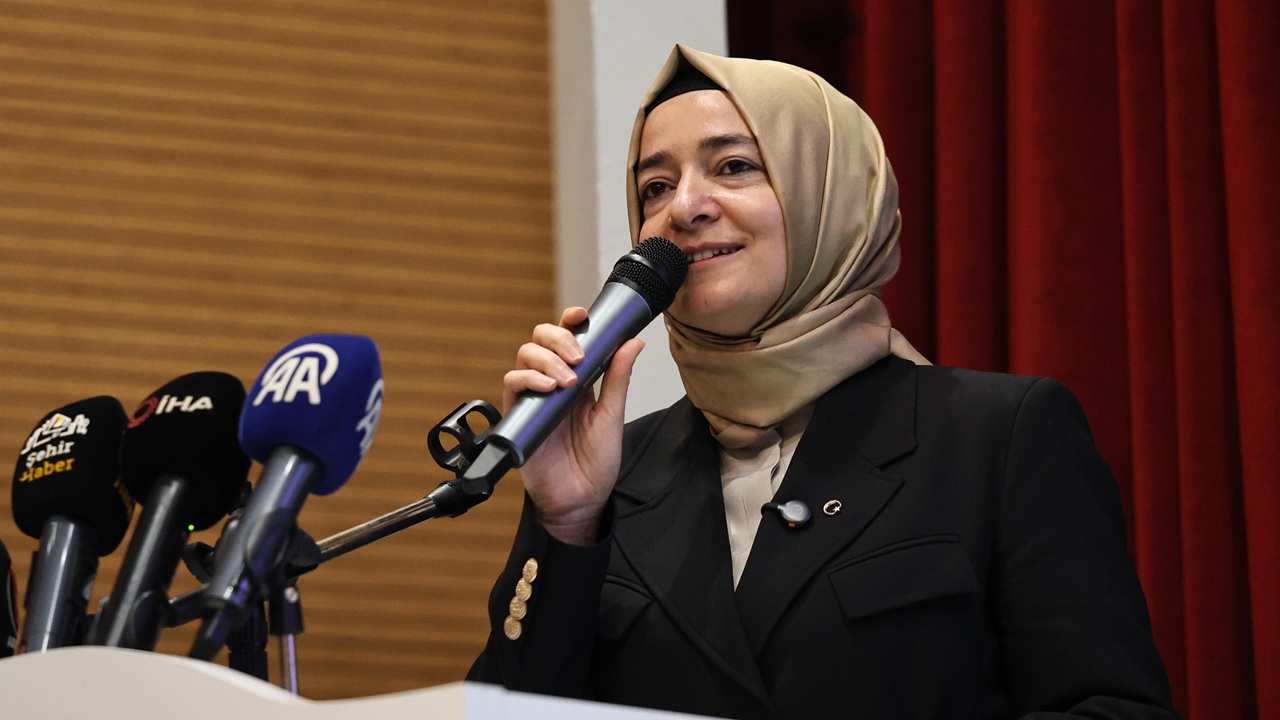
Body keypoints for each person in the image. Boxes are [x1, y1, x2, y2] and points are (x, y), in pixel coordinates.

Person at [467, 45, 1178, 720]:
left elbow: (1109, 708)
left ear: (830, 196)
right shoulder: (610, 478)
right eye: (656, 186)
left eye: (734, 166)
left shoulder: (996, 436)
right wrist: (566, 524)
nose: (684, 208)